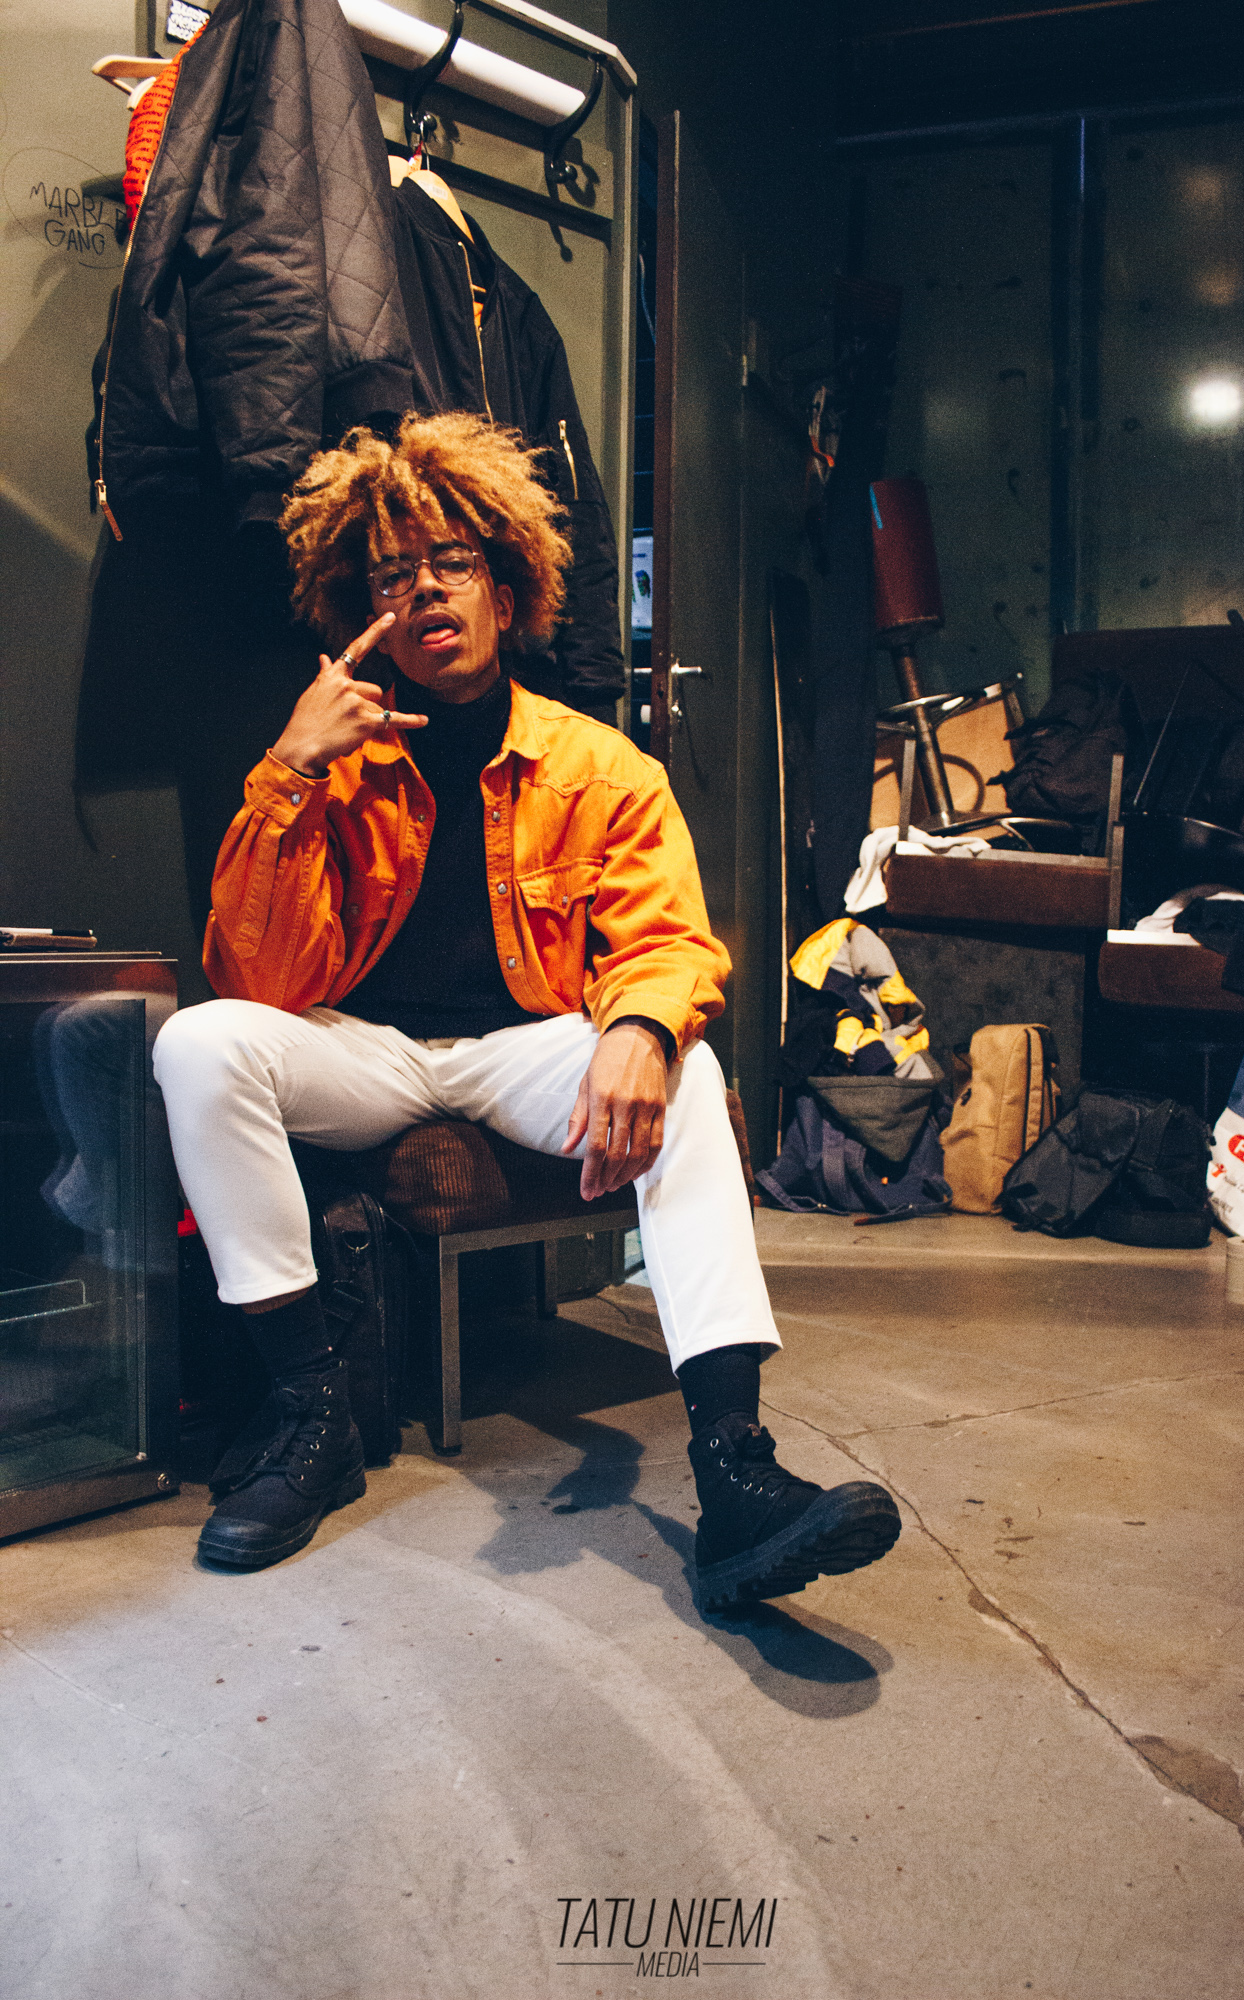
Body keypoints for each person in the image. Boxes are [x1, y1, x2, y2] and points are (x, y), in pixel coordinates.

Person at [152, 411, 901, 1608]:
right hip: (369, 1051)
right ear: (364, 613)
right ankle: (311, 1416)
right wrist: (290, 769)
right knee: (198, 1040)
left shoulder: (600, 766)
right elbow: (259, 980)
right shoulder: (328, 763)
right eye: (391, 575)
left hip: (524, 1049)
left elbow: (665, 940)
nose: (422, 589)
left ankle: (735, 1471)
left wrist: (640, 1031)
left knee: (689, 1066)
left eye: (449, 561)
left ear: (504, 592)